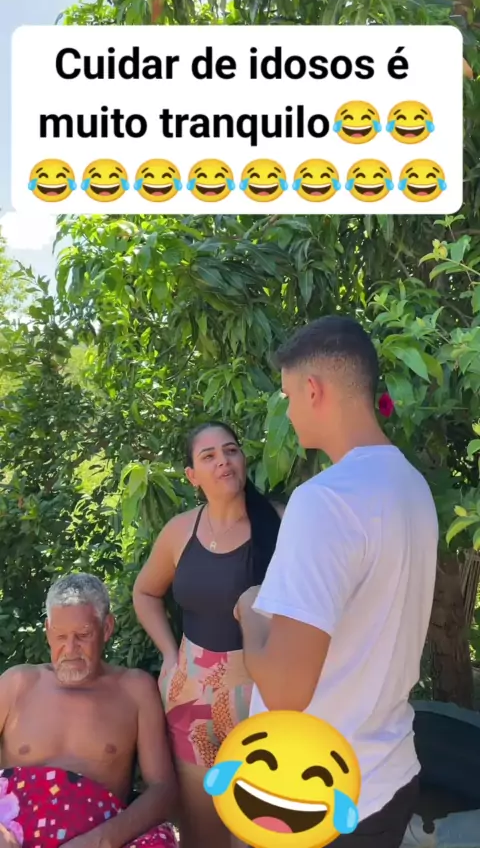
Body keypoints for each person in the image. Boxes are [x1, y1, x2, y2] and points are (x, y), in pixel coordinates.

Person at [235, 316, 439, 848]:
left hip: (319, 796)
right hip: (389, 776)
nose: (288, 412)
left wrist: (249, 612)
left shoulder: (325, 501)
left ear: (313, 389)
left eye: (288, 397)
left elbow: (285, 691)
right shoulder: (411, 486)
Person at [133, 422, 283, 848]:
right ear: (192, 476)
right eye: (209, 456)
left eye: (231, 450)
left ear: (244, 459)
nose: (223, 461)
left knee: (261, 828)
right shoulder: (180, 531)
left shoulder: (282, 524)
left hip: (262, 695)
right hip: (189, 695)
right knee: (202, 830)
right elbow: (145, 593)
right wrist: (169, 654)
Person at [0, 574, 178, 848]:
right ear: (47, 631)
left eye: (83, 636)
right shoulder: (17, 683)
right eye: (60, 636)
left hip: (102, 838)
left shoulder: (135, 690)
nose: (70, 649)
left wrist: (100, 841)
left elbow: (163, 790)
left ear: (106, 628)